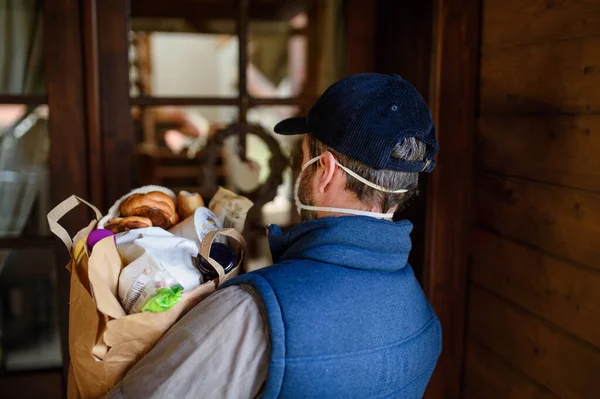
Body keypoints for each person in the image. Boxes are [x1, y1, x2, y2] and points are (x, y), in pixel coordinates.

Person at [108, 73, 442, 399]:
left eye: (303, 158)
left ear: (324, 172)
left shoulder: (251, 312)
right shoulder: (427, 323)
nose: (301, 169)